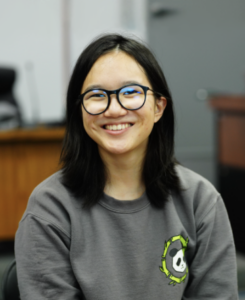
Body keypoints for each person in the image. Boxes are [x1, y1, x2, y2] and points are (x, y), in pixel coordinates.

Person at [15, 34, 238, 299]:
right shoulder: (50, 207)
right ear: (80, 112)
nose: (114, 109)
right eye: (97, 95)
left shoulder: (200, 200)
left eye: (131, 92)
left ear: (158, 107)